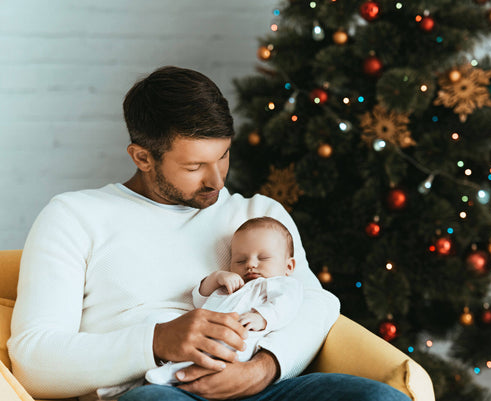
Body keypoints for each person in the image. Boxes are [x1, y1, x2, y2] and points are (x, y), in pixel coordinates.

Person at [8, 66, 412, 401]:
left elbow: (314, 304)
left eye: (224, 156)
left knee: (381, 398)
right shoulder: (74, 217)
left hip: (262, 385)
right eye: (194, 166)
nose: (217, 181)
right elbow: (33, 360)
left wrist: (263, 368)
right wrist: (158, 341)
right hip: (154, 386)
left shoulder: (260, 215)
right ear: (142, 157)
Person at [144, 216, 303, 387]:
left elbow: (287, 303)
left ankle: (175, 375)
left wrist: (261, 317)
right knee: (162, 322)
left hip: (243, 338)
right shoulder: (229, 287)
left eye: (263, 258)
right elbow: (199, 301)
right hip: (204, 334)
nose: (250, 264)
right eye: (240, 260)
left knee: (225, 350)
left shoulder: (278, 284)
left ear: (289, 266)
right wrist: (216, 278)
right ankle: (171, 369)